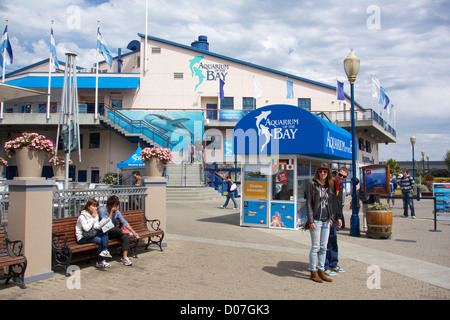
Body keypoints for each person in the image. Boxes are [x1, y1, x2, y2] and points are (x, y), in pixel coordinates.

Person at [305, 163, 335, 283]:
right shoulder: (312, 184)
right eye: (321, 171)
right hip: (316, 220)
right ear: (318, 172)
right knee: (315, 247)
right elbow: (308, 203)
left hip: (326, 220)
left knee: (324, 247)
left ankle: (321, 270)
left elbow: (331, 203)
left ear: (328, 173)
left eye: (325, 171)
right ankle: (313, 271)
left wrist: (332, 217)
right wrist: (311, 220)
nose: (323, 173)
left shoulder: (329, 185)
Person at [99, 195, 140, 266]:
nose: (117, 208)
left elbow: (124, 222)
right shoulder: (102, 210)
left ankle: (124, 257)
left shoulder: (117, 211)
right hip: (104, 232)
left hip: (114, 231)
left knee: (124, 236)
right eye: (115, 206)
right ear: (110, 205)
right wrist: (111, 212)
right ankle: (128, 233)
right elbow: (106, 225)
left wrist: (133, 231)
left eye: (117, 206)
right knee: (112, 228)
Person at [75, 198, 112, 269]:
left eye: (96, 206)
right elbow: (86, 229)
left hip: (91, 234)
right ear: (88, 207)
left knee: (105, 232)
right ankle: (100, 260)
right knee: (99, 240)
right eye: (93, 206)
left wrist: (105, 222)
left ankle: (104, 251)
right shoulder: (82, 216)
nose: (95, 208)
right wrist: (92, 218)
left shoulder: (95, 214)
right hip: (83, 237)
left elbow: (96, 226)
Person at [324, 166, 346, 276]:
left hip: (334, 218)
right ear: (336, 173)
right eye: (340, 175)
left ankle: (333, 263)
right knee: (325, 243)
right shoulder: (329, 184)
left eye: (343, 176)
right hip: (327, 218)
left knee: (333, 242)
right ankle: (325, 265)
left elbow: (338, 204)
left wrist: (339, 217)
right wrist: (329, 217)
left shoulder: (340, 186)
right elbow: (325, 203)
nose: (341, 177)